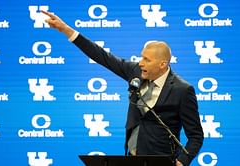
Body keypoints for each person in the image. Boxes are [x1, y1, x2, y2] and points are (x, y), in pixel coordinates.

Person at [41, 10, 204, 166]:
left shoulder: (182, 90)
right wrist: (67, 30)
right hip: (131, 158)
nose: (141, 63)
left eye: (146, 60)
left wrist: (183, 161)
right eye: (141, 57)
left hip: (162, 161)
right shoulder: (135, 72)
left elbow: (196, 135)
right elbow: (102, 56)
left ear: (162, 64)